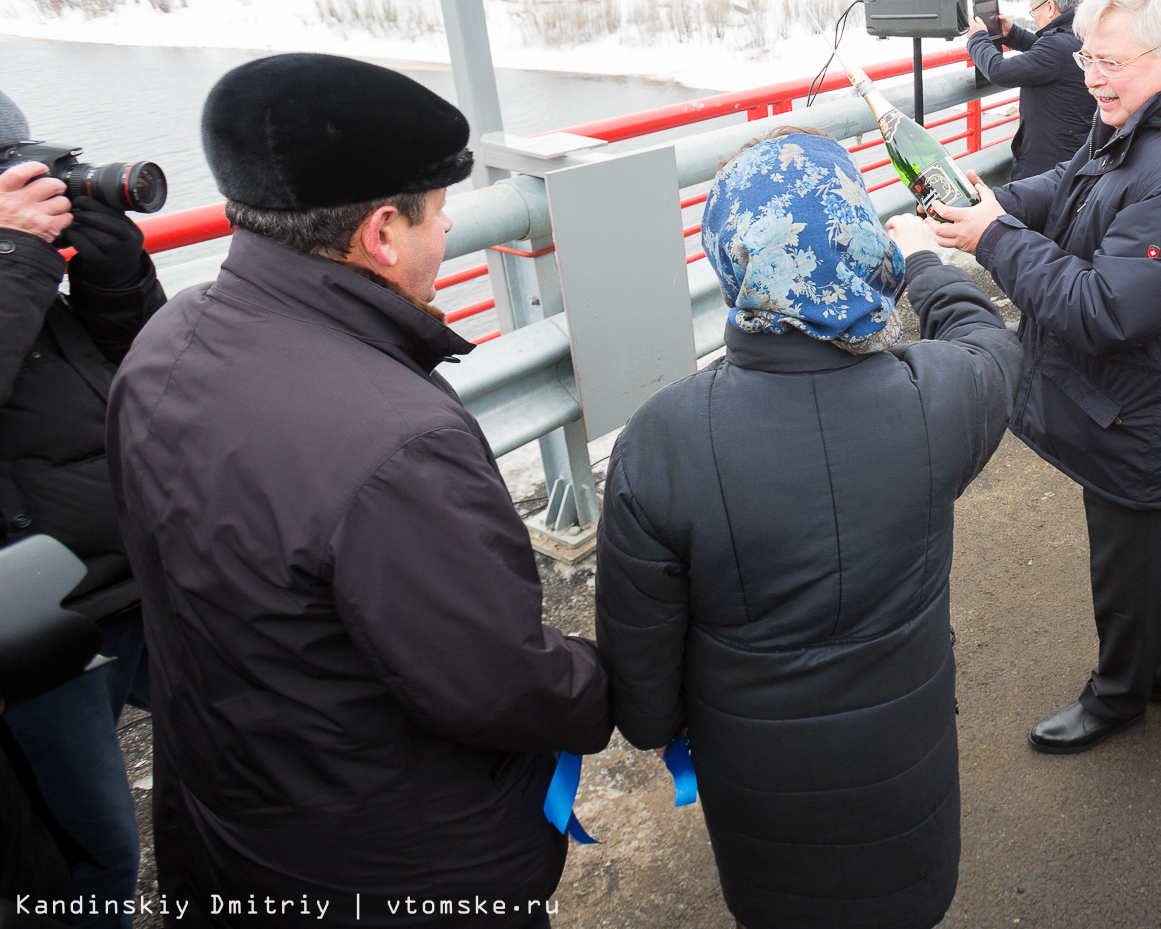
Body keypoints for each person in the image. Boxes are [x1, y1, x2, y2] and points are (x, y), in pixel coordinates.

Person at [108, 54, 610, 924]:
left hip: (231, 834)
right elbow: (491, 681)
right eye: (441, 214)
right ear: (382, 234)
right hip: (394, 871)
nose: (446, 233)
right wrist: (608, 684)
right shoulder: (397, 442)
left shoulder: (165, 345)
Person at [596, 129, 1019, 929]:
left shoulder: (663, 438)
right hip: (907, 772)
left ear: (731, 256)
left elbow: (642, 688)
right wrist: (926, 262)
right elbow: (989, 342)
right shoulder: (942, 397)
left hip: (760, 790)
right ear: (860, 238)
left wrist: (658, 722)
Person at [926, 0, 1161, 754]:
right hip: (1148, 407)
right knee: (1157, 549)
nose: (1090, 76)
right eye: (1085, 57)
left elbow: (1103, 308)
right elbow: (1077, 179)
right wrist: (1003, 206)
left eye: (1108, 62)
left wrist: (993, 243)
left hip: (1155, 419)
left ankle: (1118, 696)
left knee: (1129, 568)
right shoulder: (1158, 115)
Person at [0, 91, 163, 929]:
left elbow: (148, 373)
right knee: (89, 852)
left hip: (136, 570)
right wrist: (17, 259)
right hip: (35, 629)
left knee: (235, 750)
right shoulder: (13, 266)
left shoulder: (22, 271)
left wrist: (113, 273)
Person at [968, 0, 1095, 179]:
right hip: (1071, 153)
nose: (1034, 17)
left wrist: (977, 38)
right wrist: (1015, 35)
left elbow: (998, 71)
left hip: (1045, 165)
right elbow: (1051, 58)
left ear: (1050, 7)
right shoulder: (1080, 32)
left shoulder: (1056, 46)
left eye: (1034, 10)